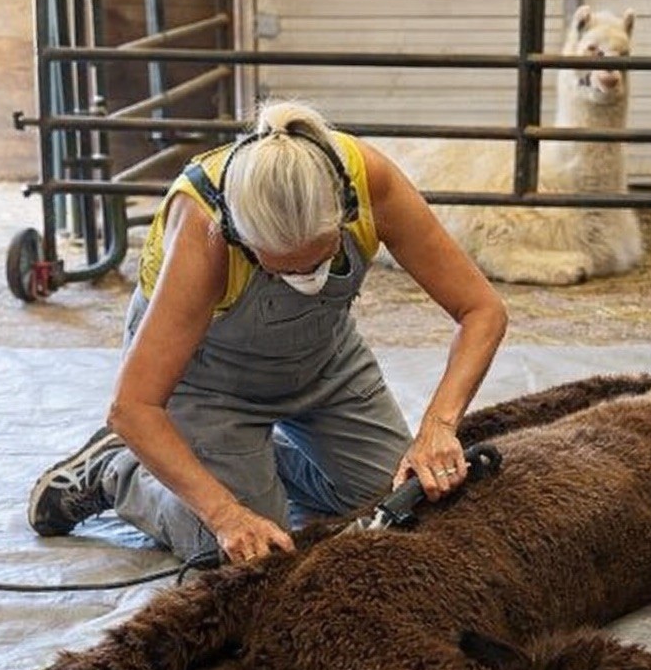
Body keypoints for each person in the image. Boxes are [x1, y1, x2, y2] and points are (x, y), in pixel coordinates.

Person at [26, 100, 508, 564]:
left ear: (341, 212)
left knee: (396, 502)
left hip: (324, 362)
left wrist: (439, 425)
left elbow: (481, 309)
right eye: (279, 270)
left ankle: (247, 463)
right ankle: (119, 471)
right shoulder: (205, 231)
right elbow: (133, 407)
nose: (306, 282)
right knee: (237, 549)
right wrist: (224, 513)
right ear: (240, 235)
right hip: (209, 381)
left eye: (319, 262)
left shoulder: (368, 183)